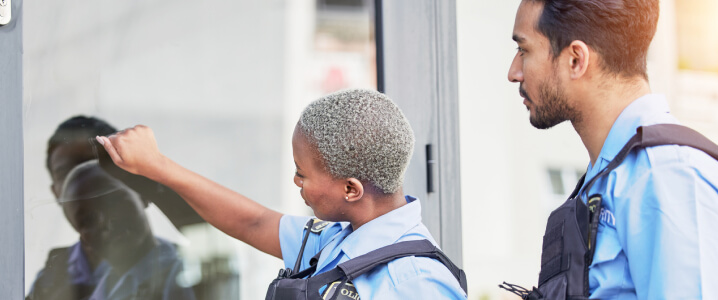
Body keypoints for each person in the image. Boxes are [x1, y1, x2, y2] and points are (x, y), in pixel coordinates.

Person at [96, 89, 468, 299]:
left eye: (302, 173)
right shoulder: (339, 237)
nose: (296, 182)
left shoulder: (415, 282)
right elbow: (253, 221)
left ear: (350, 189)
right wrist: (157, 167)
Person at [506, 0, 718, 299]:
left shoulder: (670, 178)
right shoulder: (608, 177)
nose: (514, 72)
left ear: (576, 60)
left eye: (524, 50)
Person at [57, 160, 195, 300]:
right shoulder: (100, 291)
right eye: (88, 220)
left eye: (113, 202)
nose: (106, 223)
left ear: (143, 196)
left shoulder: (187, 274)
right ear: (83, 238)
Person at [27, 116, 118, 300]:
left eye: (91, 166)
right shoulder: (50, 277)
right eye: (65, 174)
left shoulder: (166, 263)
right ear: (56, 193)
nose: (80, 184)